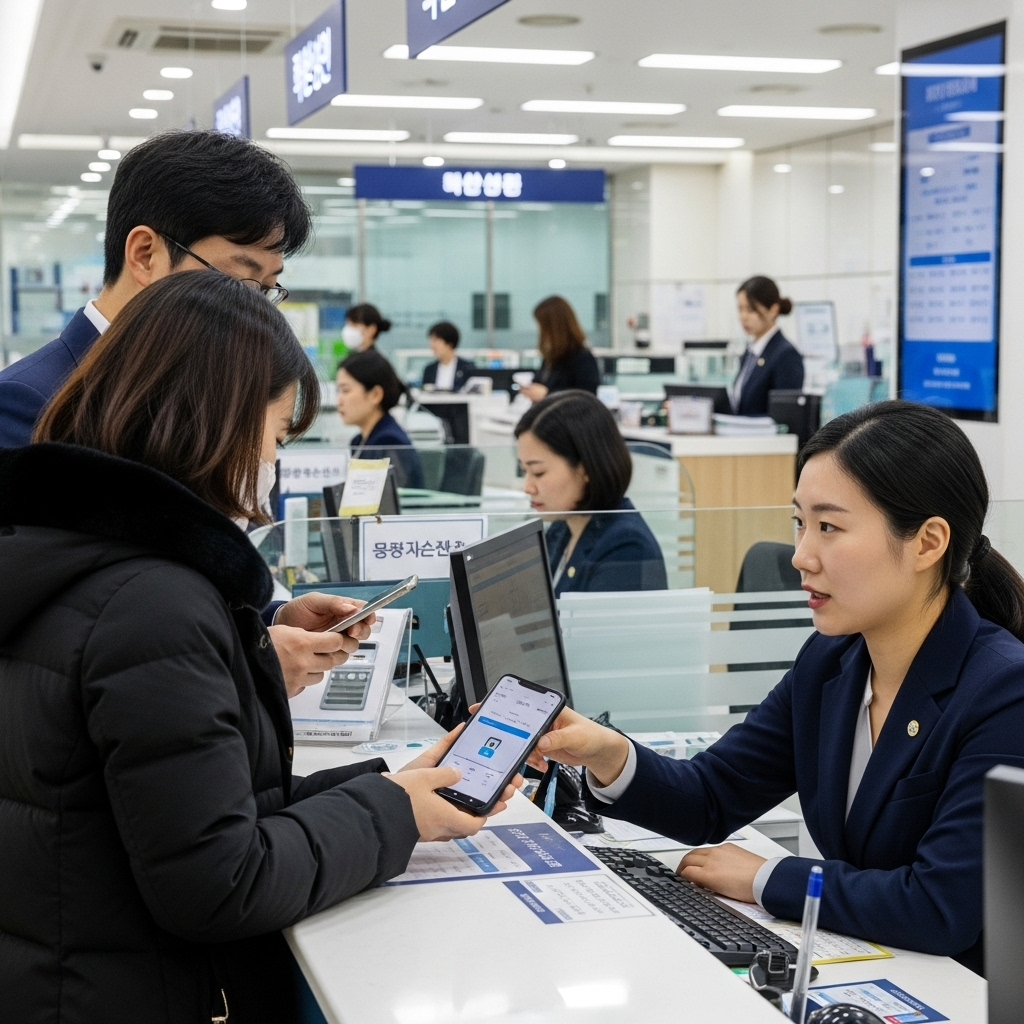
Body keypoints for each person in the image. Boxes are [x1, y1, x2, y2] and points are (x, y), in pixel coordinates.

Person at [0, 271, 517, 1024]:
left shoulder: (68, 554)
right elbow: (220, 883)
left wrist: (388, 786)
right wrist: (393, 815)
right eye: (275, 437)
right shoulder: (151, 605)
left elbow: (192, 818)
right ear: (210, 421)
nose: (272, 478)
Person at [528, 399, 1024, 972]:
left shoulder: (1003, 691)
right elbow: (712, 795)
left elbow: (940, 907)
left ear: (928, 543)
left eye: (830, 527)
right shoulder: (832, 662)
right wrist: (609, 754)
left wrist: (767, 876)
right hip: (886, 966)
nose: (800, 556)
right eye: (800, 523)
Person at [0, 128, 355, 697]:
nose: (250, 311)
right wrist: (250, 661)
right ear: (145, 253)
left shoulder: (201, 392)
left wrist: (266, 620)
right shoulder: (29, 404)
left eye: (266, 290)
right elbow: (54, 637)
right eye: (239, 281)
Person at [515, 390, 666, 596]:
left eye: (538, 472)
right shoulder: (562, 528)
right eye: (525, 472)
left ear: (586, 468)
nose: (528, 487)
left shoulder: (626, 548)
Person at [337, 348, 425, 489]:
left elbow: (392, 503)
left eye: (346, 390)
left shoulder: (388, 442)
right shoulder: (359, 441)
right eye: (338, 391)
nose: (339, 400)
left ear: (375, 394)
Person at [730, 275, 804, 416]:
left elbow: (785, 415)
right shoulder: (751, 352)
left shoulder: (786, 354)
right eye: (740, 309)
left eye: (751, 310)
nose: (743, 316)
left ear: (773, 310)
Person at [520, 296, 600, 401]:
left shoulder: (582, 358)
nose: (540, 332)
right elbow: (541, 382)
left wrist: (547, 395)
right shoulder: (552, 357)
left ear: (553, 328)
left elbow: (586, 400)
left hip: (567, 416)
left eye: (542, 326)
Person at [421, 320, 475, 391]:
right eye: (431, 340)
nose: (432, 345)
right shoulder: (429, 370)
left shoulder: (467, 368)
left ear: (449, 343)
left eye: (436, 340)